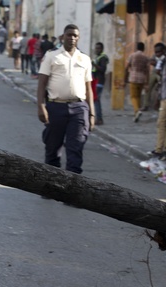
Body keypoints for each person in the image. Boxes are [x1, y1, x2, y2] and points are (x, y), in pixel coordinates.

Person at [37, 24, 94, 175]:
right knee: (53, 149)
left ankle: (72, 191)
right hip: (56, 108)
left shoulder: (85, 59)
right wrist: (41, 106)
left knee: (75, 150)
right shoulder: (51, 56)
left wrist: (92, 114)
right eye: (69, 35)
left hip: (79, 108)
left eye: (75, 35)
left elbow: (89, 89)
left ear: (78, 38)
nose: (72, 38)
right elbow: (42, 83)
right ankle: (50, 186)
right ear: (63, 37)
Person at [125, 42, 150, 122]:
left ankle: (137, 110)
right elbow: (147, 71)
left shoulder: (132, 55)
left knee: (133, 96)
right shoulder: (146, 57)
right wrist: (147, 82)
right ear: (143, 48)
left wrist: (124, 78)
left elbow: (127, 67)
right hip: (142, 79)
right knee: (138, 96)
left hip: (133, 78)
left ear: (136, 48)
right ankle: (136, 114)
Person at [142, 42, 165, 112]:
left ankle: (160, 106)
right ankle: (145, 105)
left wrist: (156, 63)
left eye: (159, 51)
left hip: (162, 74)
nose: (157, 53)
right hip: (154, 73)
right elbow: (151, 61)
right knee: (148, 88)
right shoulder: (155, 55)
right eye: (156, 52)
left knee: (161, 90)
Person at [92, 42, 109, 125]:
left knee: (96, 100)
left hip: (99, 81)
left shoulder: (103, 58)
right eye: (96, 48)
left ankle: (99, 119)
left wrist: (94, 64)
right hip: (95, 80)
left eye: (98, 48)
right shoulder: (98, 57)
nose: (96, 49)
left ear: (102, 49)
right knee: (95, 99)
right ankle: (97, 118)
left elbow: (103, 69)